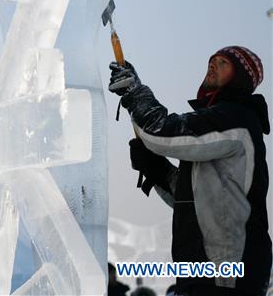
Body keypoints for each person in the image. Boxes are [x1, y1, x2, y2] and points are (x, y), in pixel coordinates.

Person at [110, 46, 271, 296]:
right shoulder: (217, 124)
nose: (213, 64)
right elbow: (193, 201)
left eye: (223, 62)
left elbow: (162, 131)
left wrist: (135, 93)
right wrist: (157, 168)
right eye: (212, 60)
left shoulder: (236, 118)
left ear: (240, 77)